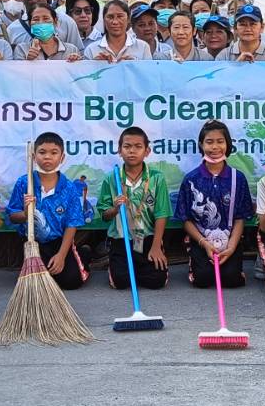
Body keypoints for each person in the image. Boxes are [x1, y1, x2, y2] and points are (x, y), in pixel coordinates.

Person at [7, 131, 88, 289]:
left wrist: (62, 255)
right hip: (31, 241)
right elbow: (12, 216)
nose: (47, 157)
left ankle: (83, 254)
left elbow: (72, 224)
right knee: (34, 285)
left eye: (54, 152)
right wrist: (25, 214)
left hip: (58, 242)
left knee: (71, 281)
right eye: (42, 152)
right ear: (34, 156)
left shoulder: (69, 188)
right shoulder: (24, 183)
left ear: (62, 157)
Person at [177, 121, 250, 289]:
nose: (215, 147)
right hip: (202, 240)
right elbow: (185, 219)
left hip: (230, 241)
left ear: (228, 144)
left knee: (232, 280)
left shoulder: (237, 178)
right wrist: (203, 242)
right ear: (201, 145)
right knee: (203, 279)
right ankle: (194, 261)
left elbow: (240, 217)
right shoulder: (191, 179)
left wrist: (231, 247)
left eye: (220, 141)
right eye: (209, 142)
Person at [98, 125, 171, 294]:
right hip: (121, 239)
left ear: (147, 151)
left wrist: (156, 246)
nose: (132, 151)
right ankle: (123, 266)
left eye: (138, 147)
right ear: (119, 150)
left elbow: (162, 214)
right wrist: (115, 208)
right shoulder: (112, 179)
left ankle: (140, 266)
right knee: (121, 282)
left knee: (156, 281)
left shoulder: (156, 178)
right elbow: (104, 214)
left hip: (147, 238)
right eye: (127, 146)